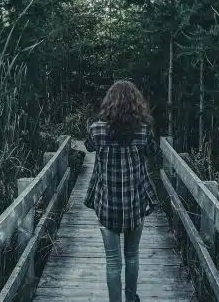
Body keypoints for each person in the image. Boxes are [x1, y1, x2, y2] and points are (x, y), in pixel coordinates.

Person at [83, 80, 161, 302]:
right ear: (136, 104)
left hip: (107, 204)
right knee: (132, 256)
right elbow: (152, 152)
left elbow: (88, 146)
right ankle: (130, 299)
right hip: (135, 203)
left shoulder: (97, 130)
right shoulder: (144, 131)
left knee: (113, 261)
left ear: (110, 103)